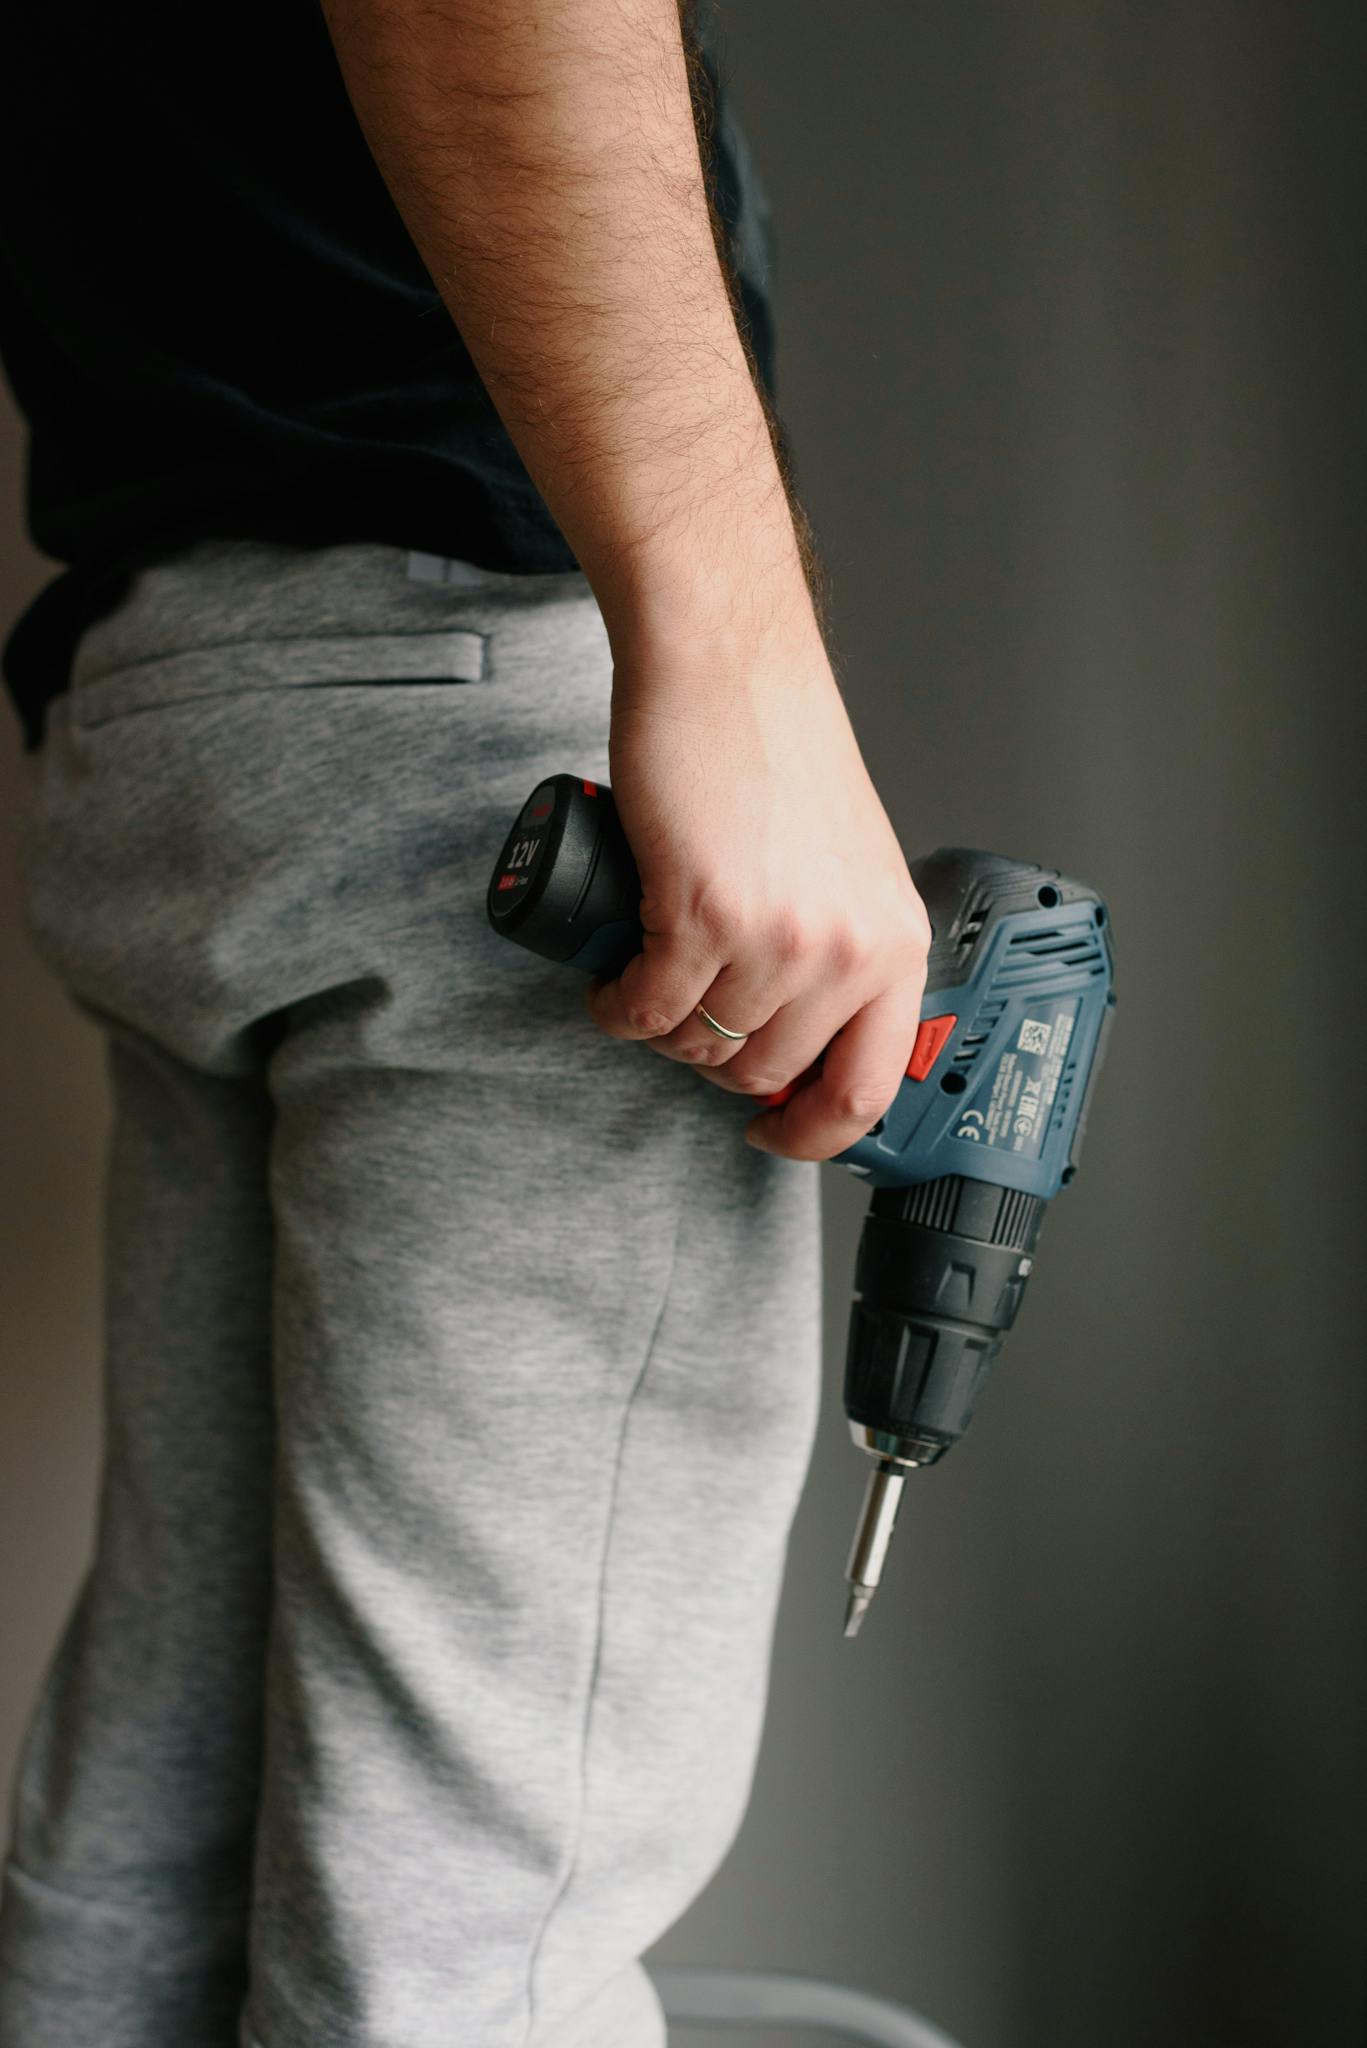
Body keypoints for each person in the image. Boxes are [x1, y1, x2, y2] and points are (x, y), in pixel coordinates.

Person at [0, 0, 930, 2042]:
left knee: (168, 1817)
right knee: (466, 1940)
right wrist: (733, 648)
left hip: (184, 682)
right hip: (476, 734)